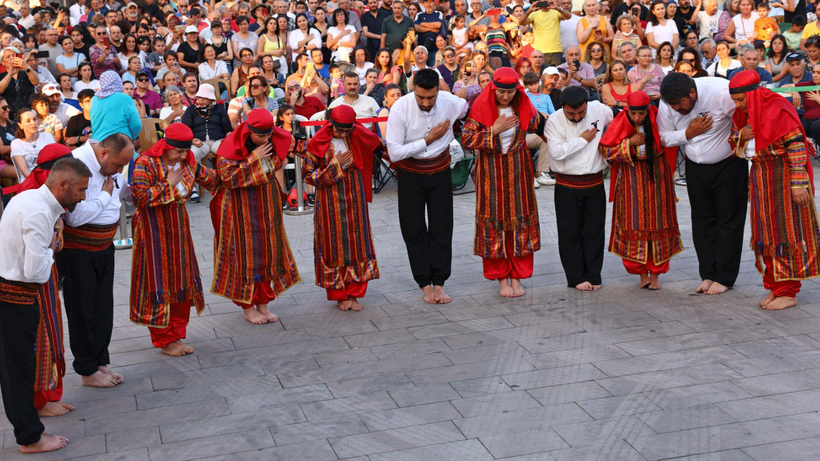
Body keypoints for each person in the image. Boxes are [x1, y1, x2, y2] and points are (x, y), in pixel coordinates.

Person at [0, 157, 89, 455]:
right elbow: (36, 272)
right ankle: (29, 438)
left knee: (17, 369)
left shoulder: (29, 198)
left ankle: (29, 433)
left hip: (15, 294)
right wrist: (51, 246)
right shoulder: (38, 211)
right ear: (62, 184)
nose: (83, 196)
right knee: (17, 371)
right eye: (80, 190)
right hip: (14, 297)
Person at [728, 70, 820, 310]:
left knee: (786, 235)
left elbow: (797, 146)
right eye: (735, 100)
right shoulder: (742, 113)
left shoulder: (778, 107)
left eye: (740, 99)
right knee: (764, 235)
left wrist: (798, 184)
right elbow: (733, 141)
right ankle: (774, 286)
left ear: (753, 93)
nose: (737, 105)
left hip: (784, 178)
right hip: (760, 177)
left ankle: (789, 292)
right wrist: (741, 136)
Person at [130, 124, 221, 356]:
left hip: (178, 227)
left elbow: (213, 180)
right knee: (158, 281)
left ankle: (177, 333)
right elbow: (139, 198)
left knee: (182, 280)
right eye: (178, 152)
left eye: (185, 151)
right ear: (166, 146)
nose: (183, 155)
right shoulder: (145, 162)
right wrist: (167, 184)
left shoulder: (189, 161)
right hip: (152, 230)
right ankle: (164, 338)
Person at [56, 133, 133, 388]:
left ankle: (100, 361)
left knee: (102, 308)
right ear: (104, 154)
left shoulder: (111, 169)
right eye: (118, 165)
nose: (120, 170)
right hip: (79, 250)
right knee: (82, 310)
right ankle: (87, 369)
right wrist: (103, 196)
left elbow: (124, 193)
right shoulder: (76, 163)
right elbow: (74, 217)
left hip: (104, 246)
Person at [385, 69, 469, 304]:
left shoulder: (449, 102)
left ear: (437, 92)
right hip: (410, 174)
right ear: (413, 90)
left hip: (441, 171)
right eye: (420, 97)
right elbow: (394, 152)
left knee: (442, 227)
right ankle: (424, 284)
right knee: (413, 230)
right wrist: (428, 140)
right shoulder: (401, 108)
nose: (425, 102)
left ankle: (440, 283)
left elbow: (467, 107)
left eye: (430, 98)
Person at [658, 73, 747, 295]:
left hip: (728, 164)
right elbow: (664, 137)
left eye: (680, 103)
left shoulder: (719, 90)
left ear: (693, 93)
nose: (676, 108)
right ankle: (708, 274)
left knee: (729, 221)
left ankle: (725, 277)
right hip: (695, 167)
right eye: (672, 105)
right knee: (702, 221)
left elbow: (746, 114)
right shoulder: (667, 103)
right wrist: (688, 133)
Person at [211, 109, 302, 324]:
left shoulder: (273, 139)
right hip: (240, 209)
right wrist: (254, 158)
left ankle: (263, 303)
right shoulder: (229, 146)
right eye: (260, 136)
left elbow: (277, 164)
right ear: (248, 131)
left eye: (268, 135)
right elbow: (228, 179)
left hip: (266, 203)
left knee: (267, 252)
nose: (265, 139)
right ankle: (248, 306)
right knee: (244, 256)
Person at [461, 67, 545, 297]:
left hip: (519, 169)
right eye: (501, 92)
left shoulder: (522, 104)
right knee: (494, 223)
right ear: (493, 89)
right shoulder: (480, 106)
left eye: (510, 92)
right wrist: (492, 130)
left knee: (520, 222)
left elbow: (538, 123)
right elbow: (466, 140)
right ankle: (501, 279)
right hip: (491, 171)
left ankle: (517, 277)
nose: (505, 96)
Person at [599, 91, 683, 290]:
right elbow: (606, 151)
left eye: (641, 114)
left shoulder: (659, 119)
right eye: (633, 114)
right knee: (633, 221)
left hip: (657, 176)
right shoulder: (620, 121)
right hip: (630, 178)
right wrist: (629, 144)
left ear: (648, 111)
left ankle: (656, 273)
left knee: (659, 221)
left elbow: (669, 142)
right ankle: (641, 272)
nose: (637, 118)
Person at [301, 105, 382, 311]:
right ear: (331, 125)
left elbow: (376, 147)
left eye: (348, 130)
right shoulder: (317, 142)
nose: (344, 133)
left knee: (358, 243)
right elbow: (309, 175)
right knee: (332, 244)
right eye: (340, 130)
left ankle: (355, 292)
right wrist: (335, 166)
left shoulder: (356, 136)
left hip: (355, 197)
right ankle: (339, 294)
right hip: (329, 201)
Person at [544, 86, 614, 291]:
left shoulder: (599, 109)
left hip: (595, 181)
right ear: (562, 108)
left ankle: (594, 275)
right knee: (570, 232)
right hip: (567, 184)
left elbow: (617, 118)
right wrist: (582, 140)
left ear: (587, 105)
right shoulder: (554, 120)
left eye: (581, 112)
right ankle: (575, 277)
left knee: (595, 231)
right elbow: (557, 153)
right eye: (571, 114)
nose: (576, 117)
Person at [182, 84, 232, 164]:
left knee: (228, 153)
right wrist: (191, 140)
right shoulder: (191, 110)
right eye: (199, 97)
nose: (201, 99)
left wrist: (228, 138)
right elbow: (185, 129)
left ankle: (224, 175)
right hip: (199, 142)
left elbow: (228, 129)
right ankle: (198, 175)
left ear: (211, 98)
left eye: (204, 97)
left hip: (218, 140)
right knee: (192, 154)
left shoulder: (219, 108)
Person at [518, 0, 572, 66]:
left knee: (557, 74)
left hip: (556, 50)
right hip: (540, 51)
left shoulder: (556, 12)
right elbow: (520, 22)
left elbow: (569, 16)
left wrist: (557, 8)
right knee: (542, 74)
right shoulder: (534, 14)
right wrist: (529, 10)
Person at [0, 47, 39, 121]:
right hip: (8, 118)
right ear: (3, 62)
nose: (12, 58)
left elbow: (36, 82)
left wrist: (26, 66)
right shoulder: (1, 76)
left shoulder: (27, 72)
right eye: (8, 57)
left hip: (28, 116)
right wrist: (10, 74)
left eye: (14, 55)